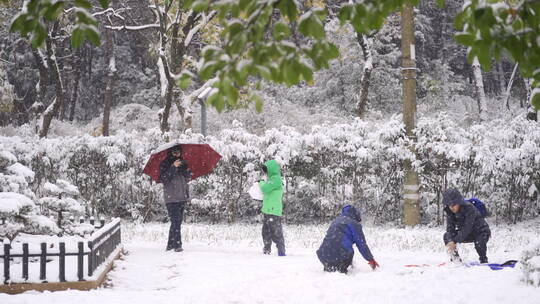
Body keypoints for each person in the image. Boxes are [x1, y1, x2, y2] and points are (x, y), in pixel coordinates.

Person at [316, 205, 379, 274]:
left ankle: (331, 267)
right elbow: (361, 244)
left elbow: (331, 240)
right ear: (356, 214)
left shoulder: (336, 221)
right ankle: (341, 270)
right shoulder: (354, 224)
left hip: (323, 254)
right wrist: (370, 259)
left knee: (331, 266)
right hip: (341, 256)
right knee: (345, 251)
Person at [442, 188, 491, 263]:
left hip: (481, 231)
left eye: (454, 204)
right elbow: (450, 229)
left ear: (459, 202)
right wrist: (450, 241)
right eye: (449, 205)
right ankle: (456, 259)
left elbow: (467, 228)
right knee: (447, 236)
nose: (451, 207)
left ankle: (483, 260)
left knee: (479, 242)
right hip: (468, 234)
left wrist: (455, 241)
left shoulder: (469, 208)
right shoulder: (450, 212)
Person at [160, 145, 191, 252]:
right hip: (171, 197)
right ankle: (177, 245)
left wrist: (185, 169)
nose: (176, 154)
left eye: (178, 152)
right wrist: (173, 167)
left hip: (182, 197)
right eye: (174, 152)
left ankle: (170, 244)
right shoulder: (165, 164)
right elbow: (164, 179)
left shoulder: (183, 163)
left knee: (177, 222)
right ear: (170, 152)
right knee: (176, 221)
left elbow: (188, 177)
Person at [259, 159, 286, 256]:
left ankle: (281, 252)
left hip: (274, 210)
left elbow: (265, 189)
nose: (265, 172)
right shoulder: (271, 179)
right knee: (265, 232)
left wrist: (261, 182)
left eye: (266, 170)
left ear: (271, 169)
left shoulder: (276, 179)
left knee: (276, 232)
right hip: (268, 210)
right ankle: (266, 250)